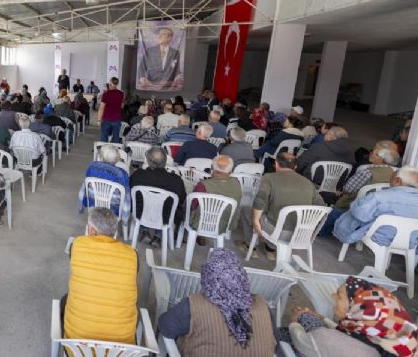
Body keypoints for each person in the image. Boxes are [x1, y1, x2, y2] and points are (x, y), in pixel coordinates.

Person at [158, 249, 278, 355]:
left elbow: (165, 326)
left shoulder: (194, 304)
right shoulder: (262, 303)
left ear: (207, 278)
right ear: (242, 277)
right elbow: (274, 341)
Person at [289, 277, 417, 357]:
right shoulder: (388, 340)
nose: (333, 296)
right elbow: (351, 334)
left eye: (339, 296)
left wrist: (295, 320)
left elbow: (301, 341)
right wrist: (323, 319)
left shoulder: (329, 339)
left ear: (357, 308)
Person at [63, 208, 137, 343]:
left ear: (92, 231)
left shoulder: (77, 245)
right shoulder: (132, 255)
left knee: (65, 299)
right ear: (113, 231)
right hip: (122, 348)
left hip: (78, 346)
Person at [243, 153, 325, 260]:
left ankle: (251, 247)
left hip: (276, 231)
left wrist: (255, 222)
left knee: (246, 210)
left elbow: (260, 200)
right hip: (300, 234)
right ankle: (270, 250)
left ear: (276, 164)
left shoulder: (269, 178)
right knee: (272, 211)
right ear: (295, 167)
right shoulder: (308, 183)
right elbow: (322, 207)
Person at [334, 166, 418, 248]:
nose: (389, 182)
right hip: (411, 242)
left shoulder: (379, 196)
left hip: (380, 238)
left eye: (391, 178)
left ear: (397, 181)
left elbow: (360, 214)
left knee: (340, 214)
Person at [129, 147, 185, 242]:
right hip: (165, 218)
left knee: (141, 205)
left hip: (140, 214)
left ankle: (144, 230)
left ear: (148, 161)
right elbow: (182, 199)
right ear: (165, 161)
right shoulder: (176, 180)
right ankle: (158, 236)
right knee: (170, 209)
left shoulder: (137, 175)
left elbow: (130, 194)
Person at [332, 145, 399, 211]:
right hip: (377, 206)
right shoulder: (393, 173)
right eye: (371, 152)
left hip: (353, 205)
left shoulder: (366, 173)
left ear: (381, 159)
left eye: (375, 154)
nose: (371, 154)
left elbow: (347, 189)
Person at [78, 145, 130, 222]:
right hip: (113, 210)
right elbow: (126, 198)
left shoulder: (92, 168)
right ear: (117, 159)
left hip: (93, 204)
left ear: (101, 157)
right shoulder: (122, 174)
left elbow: (83, 189)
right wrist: (125, 219)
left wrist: (80, 207)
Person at [190, 155, 242, 233]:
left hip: (200, 223)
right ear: (231, 170)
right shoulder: (236, 183)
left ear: (212, 168)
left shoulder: (203, 185)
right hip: (226, 225)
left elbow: (193, 205)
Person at [98, 77, 125, 143]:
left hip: (106, 119)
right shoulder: (121, 94)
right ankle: (115, 149)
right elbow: (122, 106)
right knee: (116, 138)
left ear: (110, 83)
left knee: (104, 137)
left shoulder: (106, 94)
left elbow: (101, 108)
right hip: (117, 119)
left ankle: (104, 149)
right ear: (116, 84)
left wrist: (99, 119)